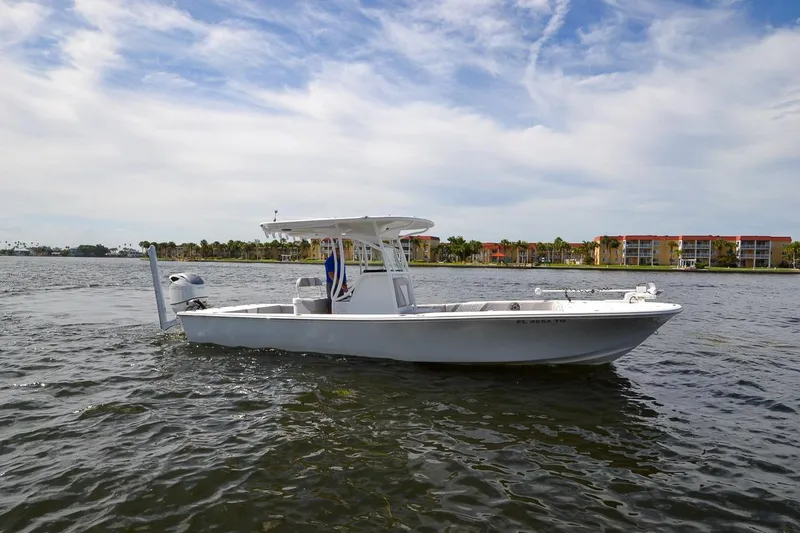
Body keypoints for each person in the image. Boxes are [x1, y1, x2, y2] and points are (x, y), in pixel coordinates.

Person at [325, 243, 347, 313]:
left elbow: (343, 273)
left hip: (341, 285)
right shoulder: (330, 260)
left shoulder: (340, 260)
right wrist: (341, 285)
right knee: (332, 301)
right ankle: (330, 316)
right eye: (338, 250)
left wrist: (344, 284)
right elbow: (331, 275)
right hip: (333, 284)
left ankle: (338, 315)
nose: (340, 252)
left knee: (339, 301)